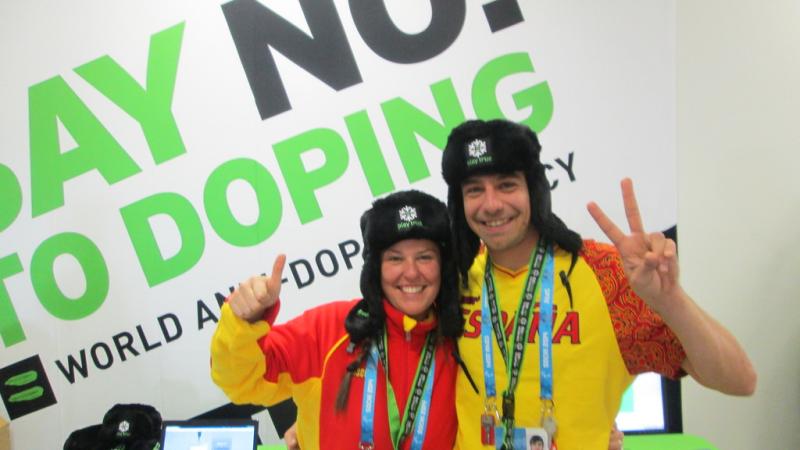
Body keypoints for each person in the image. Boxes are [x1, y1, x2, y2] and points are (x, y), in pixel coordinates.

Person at [440, 119, 756, 449]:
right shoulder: (453, 276)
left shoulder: (604, 273)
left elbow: (740, 380)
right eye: (474, 190)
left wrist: (671, 299)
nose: (491, 204)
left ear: (534, 189)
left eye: (506, 185)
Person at [210, 190, 464, 450]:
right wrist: (244, 320)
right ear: (375, 268)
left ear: (443, 265)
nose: (411, 272)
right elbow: (242, 381)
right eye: (395, 258)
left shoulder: (464, 339)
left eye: (424, 257)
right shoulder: (328, 329)